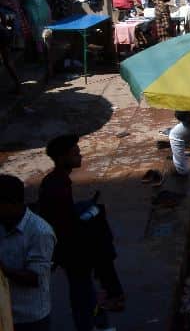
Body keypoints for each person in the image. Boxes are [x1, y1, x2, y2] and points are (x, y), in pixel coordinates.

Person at [37, 135, 124, 330]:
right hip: (71, 250)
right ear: (61, 158)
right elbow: (63, 223)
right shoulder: (57, 185)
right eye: (75, 153)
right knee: (81, 292)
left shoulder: (58, 181)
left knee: (83, 291)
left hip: (69, 247)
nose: (80, 156)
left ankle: (92, 319)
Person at [0, 174, 55, 331]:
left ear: (11, 204)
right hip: (5, 313)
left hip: (29, 319)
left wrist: (3, 270)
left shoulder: (40, 232)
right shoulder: (3, 223)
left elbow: (35, 278)